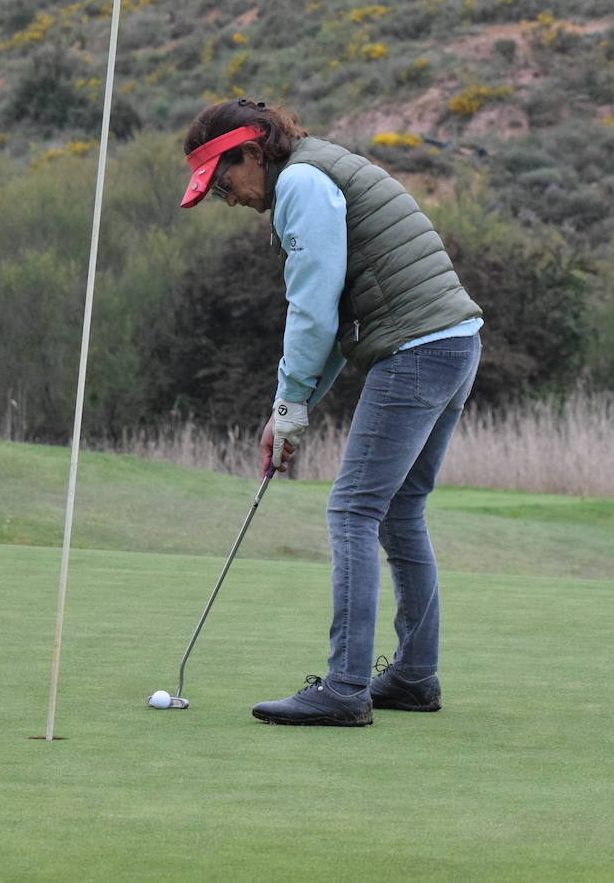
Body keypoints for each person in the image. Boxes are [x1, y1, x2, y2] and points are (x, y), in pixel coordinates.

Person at [179, 99, 483, 727]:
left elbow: (313, 310)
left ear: (252, 152)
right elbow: (342, 325)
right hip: (453, 343)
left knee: (353, 509)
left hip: (418, 351)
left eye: (224, 180)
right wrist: (290, 411)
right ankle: (415, 677)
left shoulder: (302, 184)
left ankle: (345, 688)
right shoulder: (321, 170)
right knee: (400, 510)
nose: (225, 198)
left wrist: (288, 403)